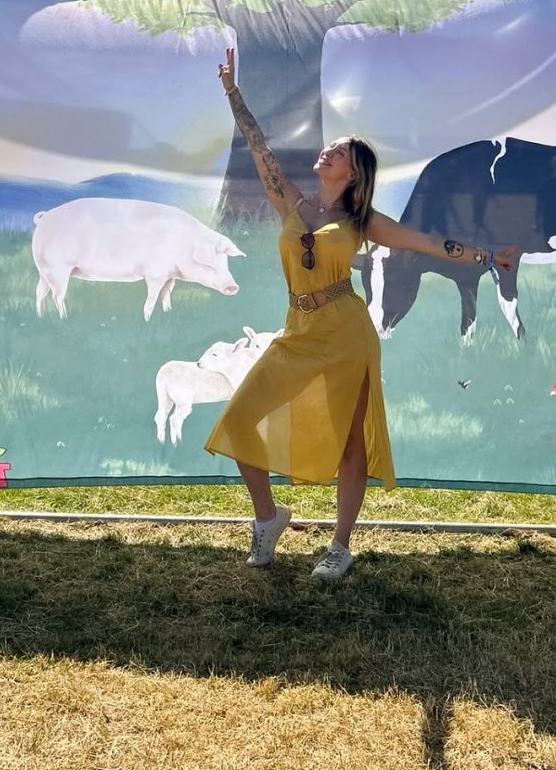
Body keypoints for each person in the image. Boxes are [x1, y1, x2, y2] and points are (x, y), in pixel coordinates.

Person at [205, 48, 516, 579]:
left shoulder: (362, 220)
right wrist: (233, 92)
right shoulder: (292, 203)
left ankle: (340, 546)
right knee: (238, 420)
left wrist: (489, 257)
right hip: (298, 330)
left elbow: (427, 242)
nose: (327, 151)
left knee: (352, 440)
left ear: (353, 173)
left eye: (339, 151)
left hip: (347, 332)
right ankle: (269, 518)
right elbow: (260, 151)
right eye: (330, 146)